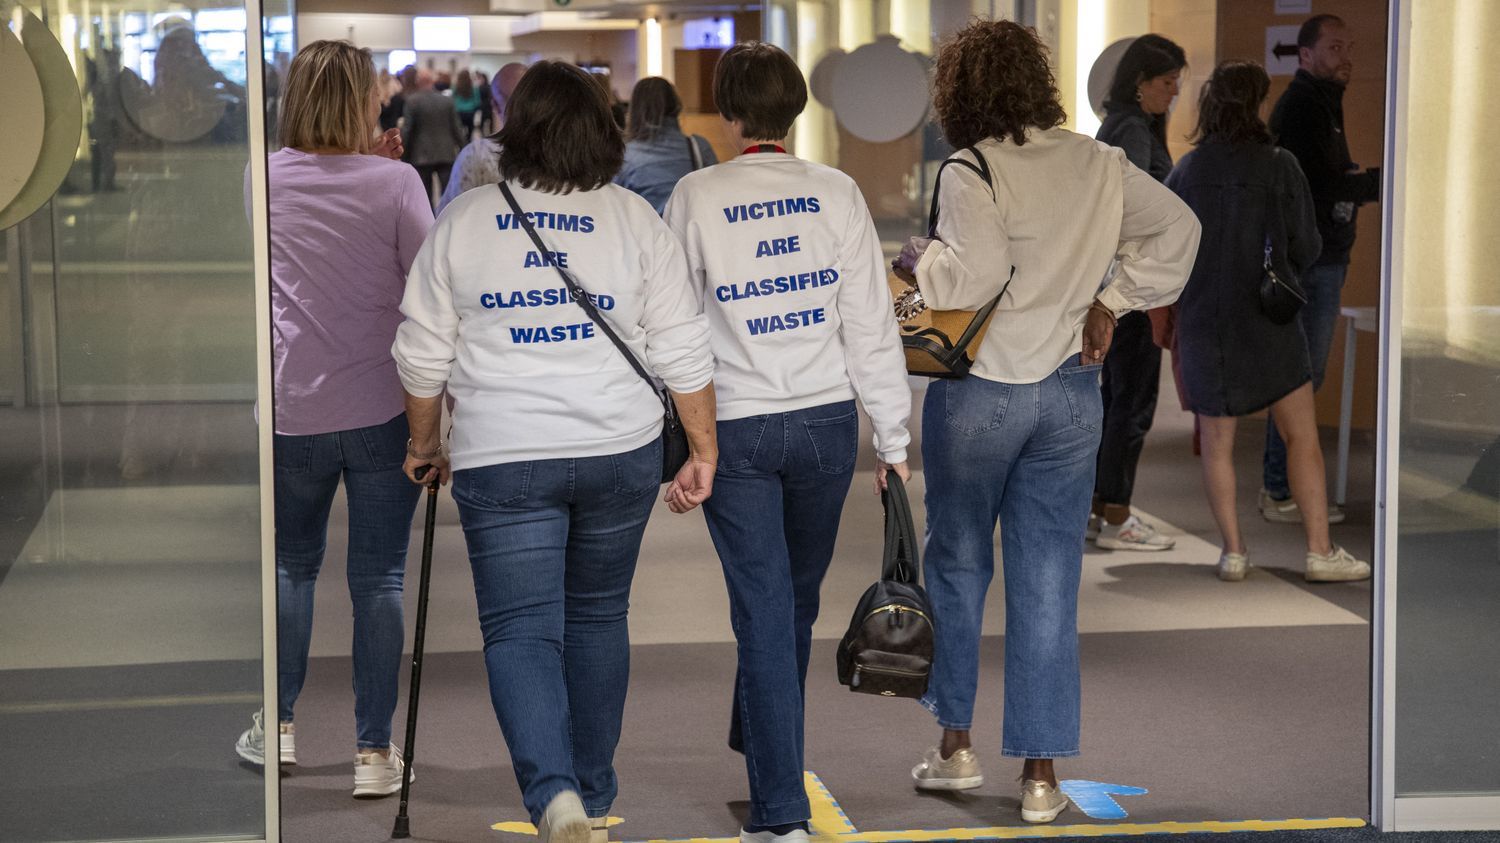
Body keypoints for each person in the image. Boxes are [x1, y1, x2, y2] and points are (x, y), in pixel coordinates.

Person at [392, 60, 718, 843]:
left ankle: (557, 796)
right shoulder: (636, 219)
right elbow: (684, 348)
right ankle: (596, 793)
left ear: (516, 130)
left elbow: (420, 357)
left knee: (520, 628)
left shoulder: (467, 221)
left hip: (505, 453)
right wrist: (702, 447)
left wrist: (425, 445)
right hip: (618, 449)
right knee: (601, 615)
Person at [891, 20, 1198, 824]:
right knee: (1050, 577)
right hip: (1069, 389)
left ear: (958, 92)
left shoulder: (972, 168)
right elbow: (1181, 230)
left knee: (958, 562)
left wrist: (919, 258)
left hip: (982, 391)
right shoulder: (1100, 161)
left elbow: (972, 273)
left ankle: (956, 748)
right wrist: (1112, 301)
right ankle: (1039, 774)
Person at [664, 42, 912, 843]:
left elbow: (672, 329)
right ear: (798, 108)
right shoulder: (835, 192)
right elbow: (869, 324)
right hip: (825, 425)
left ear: (731, 116)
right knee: (789, 605)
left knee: (769, 612)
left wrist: (675, 442)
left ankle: (779, 814)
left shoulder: (696, 195)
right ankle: (762, 741)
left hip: (733, 425)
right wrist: (894, 442)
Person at [232, 39, 433, 799]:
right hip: (384, 406)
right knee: (379, 576)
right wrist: (383, 170)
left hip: (294, 410)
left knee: (291, 567)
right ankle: (374, 752)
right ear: (363, 103)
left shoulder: (262, 174)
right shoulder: (398, 181)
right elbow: (429, 280)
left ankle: (279, 729)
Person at [1166, 60, 1371, 585]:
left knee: (1217, 443)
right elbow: (1308, 245)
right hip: (1269, 320)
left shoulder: (1188, 171)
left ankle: (1234, 552)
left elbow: (1163, 243)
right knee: (1301, 436)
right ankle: (1320, 550)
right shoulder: (1281, 166)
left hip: (1205, 321)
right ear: (1258, 103)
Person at [1260, 14, 1381, 525]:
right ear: (1306, 55)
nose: (1346, 57)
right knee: (1299, 376)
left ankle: (1283, 484)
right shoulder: (1305, 105)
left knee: (1304, 374)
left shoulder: (1322, 102)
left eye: (1348, 46)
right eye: (1334, 47)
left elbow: (1326, 179)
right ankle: (1280, 487)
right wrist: (1376, 182)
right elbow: (1315, 184)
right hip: (1311, 260)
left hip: (1320, 256)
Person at [1088, 34, 1186, 552]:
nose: (1173, 93)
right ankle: (1117, 512)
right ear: (1141, 83)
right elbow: (1146, 206)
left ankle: (1102, 505)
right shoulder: (1133, 130)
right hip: (1133, 286)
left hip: (1117, 283)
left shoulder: (1123, 126)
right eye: (1166, 82)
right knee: (1132, 399)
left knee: (1118, 397)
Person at [616, 77, 717, 215]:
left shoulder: (624, 157)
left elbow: (613, 208)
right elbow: (715, 197)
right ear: (676, 106)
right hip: (688, 234)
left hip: (644, 235)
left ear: (634, 110)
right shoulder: (699, 147)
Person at [437, 62, 526, 213]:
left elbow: (447, 214)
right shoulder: (563, 153)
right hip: (470, 113)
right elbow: (477, 100)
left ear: (496, 106)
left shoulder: (477, 155)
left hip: (486, 232)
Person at [402, 68, 467, 207]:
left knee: (425, 196)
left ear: (418, 82)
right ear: (432, 82)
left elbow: (407, 130)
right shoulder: (447, 101)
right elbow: (456, 128)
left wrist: (403, 155)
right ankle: (447, 221)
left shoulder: (412, 101)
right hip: (446, 153)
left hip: (420, 155)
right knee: (448, 194)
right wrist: (464, 149)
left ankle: (430, 224)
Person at [452, 68, 482, 136]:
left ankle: (462, 143)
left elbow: (452, 99)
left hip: (459, 111)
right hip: (470, 111)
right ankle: (468, 141)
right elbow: (477, 101)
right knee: (470, 128)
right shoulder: (473, 87)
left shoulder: (455, 87)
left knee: (459, 129)